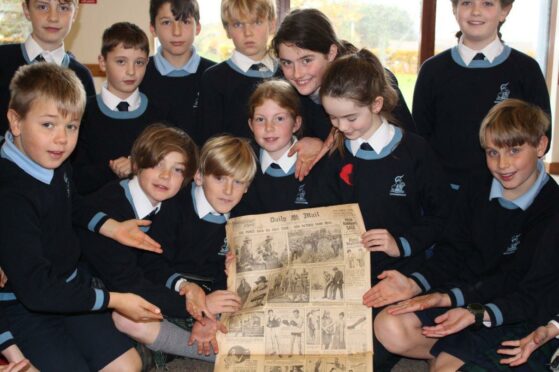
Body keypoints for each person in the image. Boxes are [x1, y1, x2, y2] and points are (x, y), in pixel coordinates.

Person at [370, 99, 559, 371]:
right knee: (388, 324)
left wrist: (461, 306)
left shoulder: (552, 209)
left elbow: (522, 287)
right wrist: (417, 283)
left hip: (510, 312)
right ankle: (453, 354)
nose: (502, 164)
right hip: (465, 296)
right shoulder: (476, 184)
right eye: (492, 152)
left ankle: (454, 356)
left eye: (515, 150)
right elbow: (452, 250)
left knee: (445, 366)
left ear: (541, 146)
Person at [0, 62, 165, 371]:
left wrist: (112, 227)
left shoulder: (49, 156)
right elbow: (37, 291)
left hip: (73, 285)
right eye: (48, 125)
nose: (61, 139)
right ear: (16, 121)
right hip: (29, 305)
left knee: (128, 366)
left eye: (71, 126)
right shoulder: (10, 194)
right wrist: (114, 300)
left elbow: (71, 201)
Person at [318, 48, 451, 370]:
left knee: (366, 357)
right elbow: (323, 215)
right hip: (347, 275)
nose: (342, 127)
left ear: (376, 104)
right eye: (333, 118)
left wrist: (399, 244)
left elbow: (443, 217)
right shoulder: (335, 154)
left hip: (401, 272)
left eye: (351, 118)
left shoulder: (416, 151)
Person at [78, 123, 221, 360]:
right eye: (157, 164)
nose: (166, 176)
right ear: (136, 163)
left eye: (177, 170)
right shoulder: (110, 205)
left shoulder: (164, 204)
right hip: (91, 291)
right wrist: (196, 307)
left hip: (132, 286)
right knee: (131, 321)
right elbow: (128, 283)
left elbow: (155, 263)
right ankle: (210, 352)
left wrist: (185, 286)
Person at [413, 0, 551, 190]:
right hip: (445, 192)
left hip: (507, 192)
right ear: (455, 9)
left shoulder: (526, 70)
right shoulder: (432, 70)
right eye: (467, 3)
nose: (476, 11)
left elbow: (542, 134)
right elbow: (420, 138)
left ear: (504, 11)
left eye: (487, 3)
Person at [140, 134, 256, 314]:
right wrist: (188, 292)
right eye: (219, 178)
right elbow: (152, 265)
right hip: (170, 293)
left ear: (247, 187)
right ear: (199, 177)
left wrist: (230, 273)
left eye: (238, 182)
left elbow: (220, 278)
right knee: (130, 321)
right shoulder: (174, 206)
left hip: (211, 299)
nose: (228, 190)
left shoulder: (242, 219)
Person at [272, 8, 415, 143]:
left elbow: (410, 144)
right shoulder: (282, 88)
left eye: (307, 60)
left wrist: (322, 146)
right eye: (287, 63)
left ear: (331, 53)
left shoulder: (371, 80)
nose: (297, 73)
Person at [72, 22, 167, 195]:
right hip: (94, 213)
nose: (131, 71)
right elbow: (76, 177)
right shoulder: (82, 114)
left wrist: (137, 166)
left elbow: (169, 171)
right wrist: (112, 170)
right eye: (121, 61)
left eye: (139, 62)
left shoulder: (160, 117)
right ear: (102, 62)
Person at [0, 0, 95, 134]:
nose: (53, 17)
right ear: (27, 10)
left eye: (63, 8)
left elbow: (86, 137)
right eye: (43, 7)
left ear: (75, 14)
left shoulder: (82, 76)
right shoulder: (2, 60)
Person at [234, 79, 323, 216]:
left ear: (296, 124)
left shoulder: (317, 165)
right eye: (260, 119)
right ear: (251, 125)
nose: (269, 128)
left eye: (279, 118)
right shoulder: (241, 164)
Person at [197, 0, 278, 142]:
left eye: (257, 22)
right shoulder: (214, 79)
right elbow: (211, 142)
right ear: (227, 30)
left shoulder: (290, 73)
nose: (248, 33)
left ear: (271, 25)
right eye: (238, 24)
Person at [141, 0, 215, 137]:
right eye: (167, 22)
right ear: (153, 29)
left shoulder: (214, 75)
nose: (176, 32)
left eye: (185, 21)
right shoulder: (139, 73)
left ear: (198, 28)